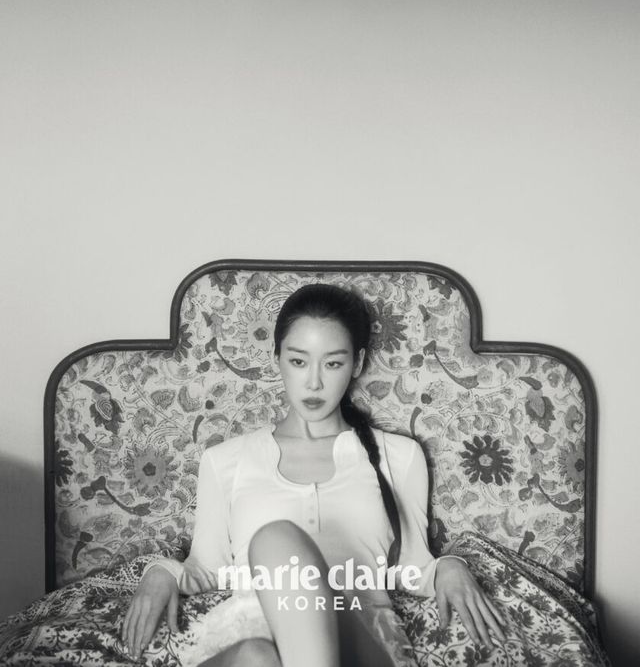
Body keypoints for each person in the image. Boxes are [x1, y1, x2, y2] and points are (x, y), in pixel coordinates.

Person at [122, 283, 505, 666]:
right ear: (277, 358)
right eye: (299, 361)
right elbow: (207, 567)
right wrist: (161, 573)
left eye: (333, 363)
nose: (314, 382)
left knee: (277, 542)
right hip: (255, 630)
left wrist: (449, 567)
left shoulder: (399, 457)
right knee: (258, 653)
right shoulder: (224, 461)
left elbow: (413, 567)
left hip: (358, 632)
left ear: (357, 363)